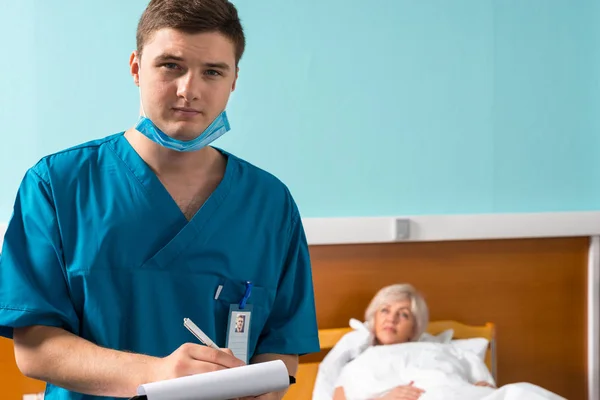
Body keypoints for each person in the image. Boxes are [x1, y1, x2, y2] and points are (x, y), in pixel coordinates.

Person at [0, 1, 319, 399]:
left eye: (213, 72)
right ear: (136, 67)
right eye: (171, 65)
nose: (190, 90)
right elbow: (35, 348)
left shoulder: (270, 204)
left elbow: (281, 349)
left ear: (233, 80)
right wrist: (159, 374)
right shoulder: (57, 185)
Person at [330, 284, 496, 400]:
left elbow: (466, 385)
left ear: (414, 328)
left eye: (403, 314)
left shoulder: (440, 352)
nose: (391, 319)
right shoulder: (358, 364)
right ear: (374, 318)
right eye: (385, 310)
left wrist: (481, 390)